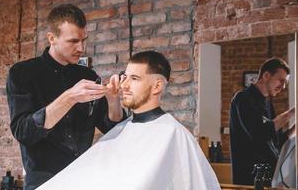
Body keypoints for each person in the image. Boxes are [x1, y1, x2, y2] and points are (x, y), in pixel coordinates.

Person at [37, 51, 221, 190]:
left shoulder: (174, 135)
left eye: (135, 78)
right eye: (125, 77)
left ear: (157, 86)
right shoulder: (122, 130)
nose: (124, 85)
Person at [6, 4, 126, 190]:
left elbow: (113, 128)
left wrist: (113, 100)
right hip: (45, 183)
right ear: (52, 38)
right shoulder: (22, 73)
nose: (82, 48)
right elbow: (23, 132)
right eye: (73, 41)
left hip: (85, 179)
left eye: (84, 40)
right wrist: (69, 98)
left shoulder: (88, 76)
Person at [229, 57, 295, 185]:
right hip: (249, 181)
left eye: (285, 82)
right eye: (281, 81)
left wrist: (295, 128)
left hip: (271, 179)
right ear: (266, 75)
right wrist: (291, 113)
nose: (283, 86)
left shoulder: (268, 104)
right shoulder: (242, 99)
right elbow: (259, 134)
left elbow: (276, 143)